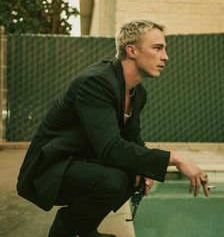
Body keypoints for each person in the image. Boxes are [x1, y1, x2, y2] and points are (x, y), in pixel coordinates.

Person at [17, 20, 211, 237]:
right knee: (114, 180)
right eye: (157, 48)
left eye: (164, 49)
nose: (165, 56)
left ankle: (84, 229)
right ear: (132, 50)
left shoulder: (137, 93)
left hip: (80, 162)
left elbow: (132, 140)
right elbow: (111, 148)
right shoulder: (96, 82)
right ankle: (64, 229)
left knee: (134, 175)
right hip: (49, 168)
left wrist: (146, 170)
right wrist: (176, 159)